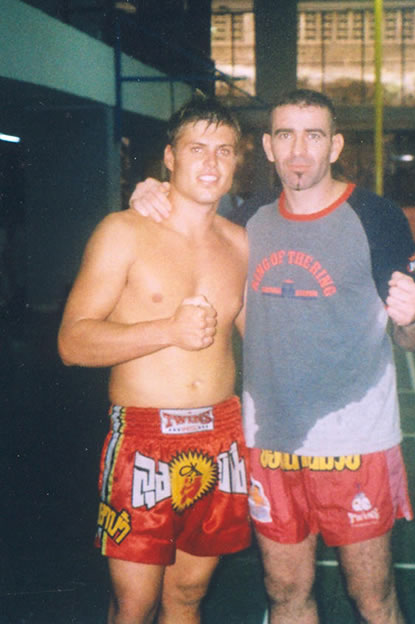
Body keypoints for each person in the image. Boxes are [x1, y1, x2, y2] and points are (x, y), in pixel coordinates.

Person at [130, 89, 415, 624]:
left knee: (372, 596)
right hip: (269, 445)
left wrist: (413, 319)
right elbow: (187, 217)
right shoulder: (247, 221)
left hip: (356, 444)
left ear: (334, 146)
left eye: (313, 135)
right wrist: (151, 193)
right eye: (286, 135)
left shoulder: (377, 217)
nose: (298, 150)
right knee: (285, 592)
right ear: (268, 147)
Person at [57, 96, 251, 624]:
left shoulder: (241, 243)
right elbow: (72, 343)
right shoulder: (123, 231)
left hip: (221, 436)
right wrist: (167, 330)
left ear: (236, 161)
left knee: (188, 595)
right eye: (197, 148)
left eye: (224, 151)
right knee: (135, 602)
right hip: (143, 439)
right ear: (169, 157)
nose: (211, 162)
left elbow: (265, 338)